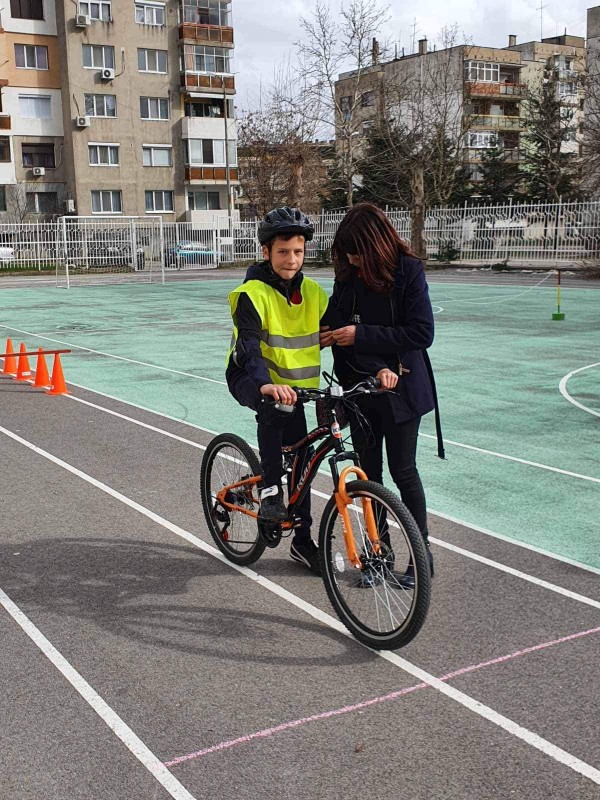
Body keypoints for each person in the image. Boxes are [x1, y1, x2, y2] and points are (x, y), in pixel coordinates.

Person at [320, 203, 444, 586]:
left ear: (374, 246)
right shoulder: (349, 275)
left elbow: (421, 333)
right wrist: (325, 331)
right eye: (348, 255)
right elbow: (334, 318)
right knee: (369, 474)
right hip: (361, 387)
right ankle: (379, 555)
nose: (353, 261)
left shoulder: (408, 271)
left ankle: (421, 557)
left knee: (404, 471)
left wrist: (362, 335)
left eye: (357, 253)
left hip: (403, 387)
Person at [226, 207, 328, 575]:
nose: (291, 259)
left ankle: (302, 543)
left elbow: (335, 333)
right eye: (283, 251)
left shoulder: (314, 292)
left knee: (304, 459)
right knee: (272, 410)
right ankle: (270, 492)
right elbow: (249, 347)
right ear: (267, 252)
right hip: (250, 376)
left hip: (297, 389)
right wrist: (265, 382)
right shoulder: (250, 293)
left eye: (298, 252)